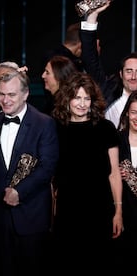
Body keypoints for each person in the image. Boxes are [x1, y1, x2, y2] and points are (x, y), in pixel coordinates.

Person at [0, 64, 59, 276]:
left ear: (25, 94)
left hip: (30, 215)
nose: (5, 100)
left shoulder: (44, 123)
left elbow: (47, 166)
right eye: (2, 94)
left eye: (12, 95)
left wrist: (19, 191)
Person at [51, 71, 123, 274]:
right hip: (67, 211)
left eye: (87, 98)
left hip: (100, 210)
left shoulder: (105, 128)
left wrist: (118, 211)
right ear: (68, 99)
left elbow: (114, 173)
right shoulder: (55, 128)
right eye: (77, 98)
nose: (82, 104)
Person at [80, 0, 137, 128]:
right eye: (129, 71)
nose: (133, 76)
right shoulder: (108, 90)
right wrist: (92, 17)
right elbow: (90, 59)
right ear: (121, 74)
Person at [115, 90, 137, 273]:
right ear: (127, 113)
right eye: (134, 112)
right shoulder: (118, 140)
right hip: (124, 215)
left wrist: (131, 176)